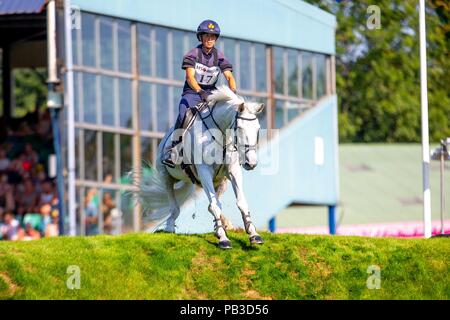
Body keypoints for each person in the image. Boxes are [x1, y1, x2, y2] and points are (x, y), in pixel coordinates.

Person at [162, 19, 237, 168]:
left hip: (211, 93)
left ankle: (228, 149)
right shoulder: (193, 54)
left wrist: (233, 93)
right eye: (207, 36)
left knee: (225, 114)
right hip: (192, 92)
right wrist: (199, 91)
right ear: (201, 37)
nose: (210, 39)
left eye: (213, 37)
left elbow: (229, 76)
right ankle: (174, 149)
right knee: (184, 114)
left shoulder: (219, 56)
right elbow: (189, 77)